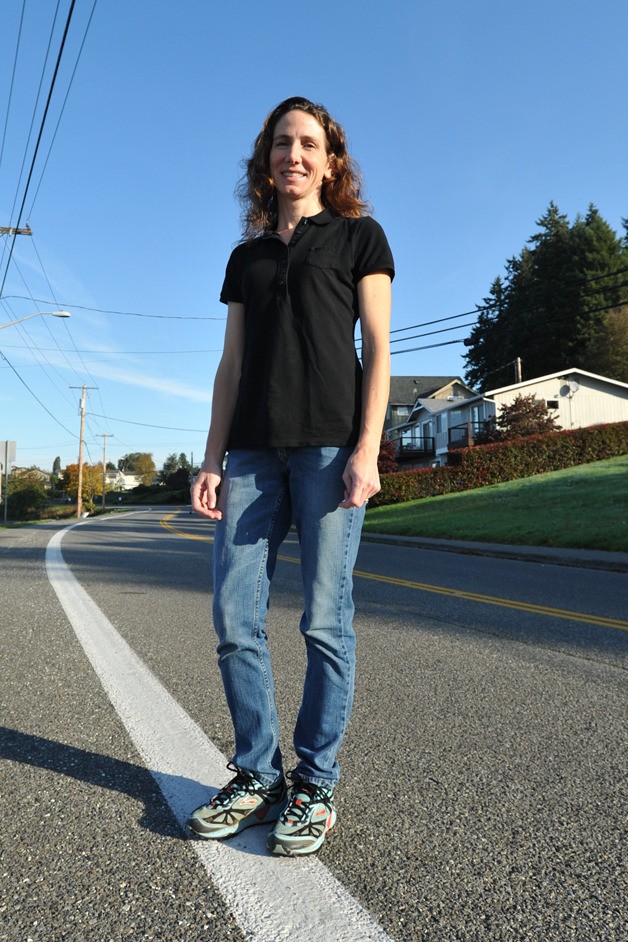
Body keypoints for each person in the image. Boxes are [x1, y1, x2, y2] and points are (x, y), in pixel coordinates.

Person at [187, 96, 394, 857]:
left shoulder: (359, 239)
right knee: (234, 619)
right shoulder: (246, 258)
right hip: (251, 455)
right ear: (265, 161)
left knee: (323, 621)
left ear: (330, 161)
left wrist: (367, 449)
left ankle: (314, 783)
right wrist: (211, 457)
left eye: (309, 143)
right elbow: (232, 364)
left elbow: (377, 346)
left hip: (329, 453)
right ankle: (256, 773)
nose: (294, 155)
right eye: (282, 143)